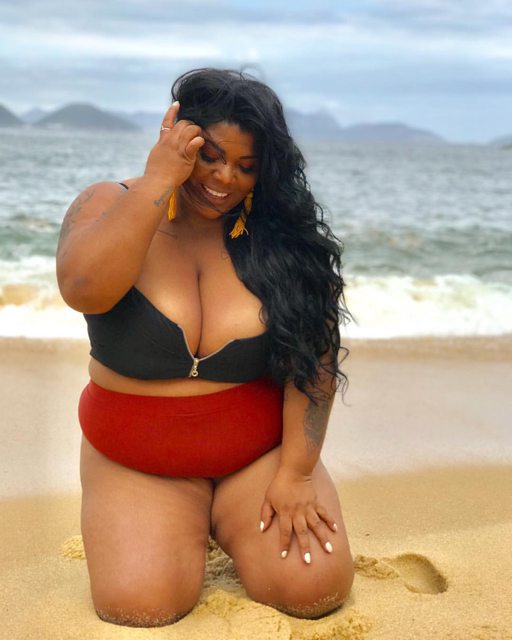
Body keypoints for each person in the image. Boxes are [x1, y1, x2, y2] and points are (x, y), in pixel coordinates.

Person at [56, 68, 354, 628]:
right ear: (179, 137)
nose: (224, 178)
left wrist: (296, 473)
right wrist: (158, 180)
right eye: (209, 156)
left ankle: (225, 518)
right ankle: (178, 523)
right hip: (136, 458)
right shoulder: (106, 201)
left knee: (314, 589)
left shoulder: (280, 238)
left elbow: (314, 359)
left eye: (246, 165)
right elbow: (82, 289)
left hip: (256, 459)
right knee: (140, 606)